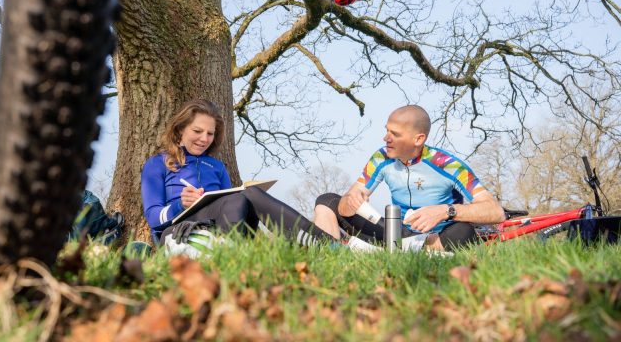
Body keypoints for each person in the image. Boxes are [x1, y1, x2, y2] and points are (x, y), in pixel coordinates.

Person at [141, 99, 334, 248]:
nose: (204, 139)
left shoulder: (216, 166)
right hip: (182, 230)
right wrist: (179, 205)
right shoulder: (159, 163)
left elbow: (232, 204)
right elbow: (152, 217)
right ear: (180, 129)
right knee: (242, 197)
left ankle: (324, 245)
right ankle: (328, 244)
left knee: (245, 196)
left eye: (210, 133)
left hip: (224, 224)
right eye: (197, 131)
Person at [314, 105, 505, 251]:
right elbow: (344, 208)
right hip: (396, 233)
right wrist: (351, 201)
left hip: (436, 237)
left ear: (418, 139)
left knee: (464, 231)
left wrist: (445, 211)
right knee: (327, 201)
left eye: (394, 134)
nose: (386, 138)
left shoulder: (448, 164)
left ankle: (411, 251)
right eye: (387, 130)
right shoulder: (381, 158)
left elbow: (495, 212)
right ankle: (332, 254)